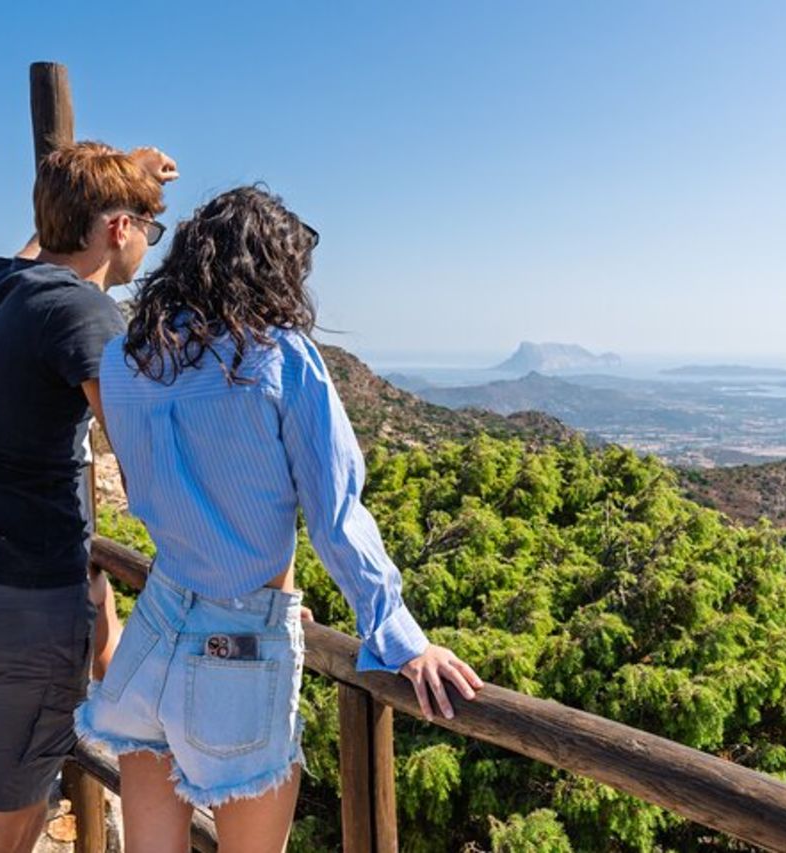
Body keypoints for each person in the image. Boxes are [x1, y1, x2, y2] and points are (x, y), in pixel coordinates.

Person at [75, 185, 484, 852]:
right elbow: (336, 515)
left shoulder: (127, 359)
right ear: (271, 267)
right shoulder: (277, 357)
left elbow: (149, 483)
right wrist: (400, 635)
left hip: (153, 631)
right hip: (238, 645)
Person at [0, 141, 178, 853]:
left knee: (102, 637)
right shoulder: (87, 316)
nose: (148, 245)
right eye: (148, 226)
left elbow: (51, 239)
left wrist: (126, 177)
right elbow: (143, 459)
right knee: (3, 837)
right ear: (119, 227)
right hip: (22, 612)